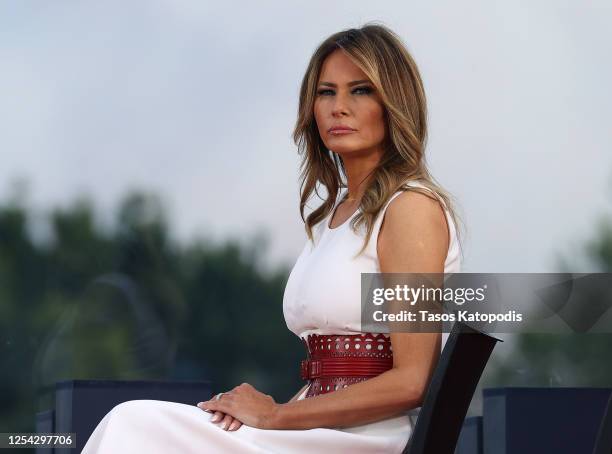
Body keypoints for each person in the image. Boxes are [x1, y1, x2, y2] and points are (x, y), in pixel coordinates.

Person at [81, 22, 463, 454]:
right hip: (310, 422)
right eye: (326, 92)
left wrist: (276, 416)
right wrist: (269, 415)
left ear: (394, 103)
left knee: (134, 423)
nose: (339, 107)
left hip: (370, 438)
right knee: (136, 424)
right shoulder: (331, 218)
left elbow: (414, 381)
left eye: (360, 91)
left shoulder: (411, 208)